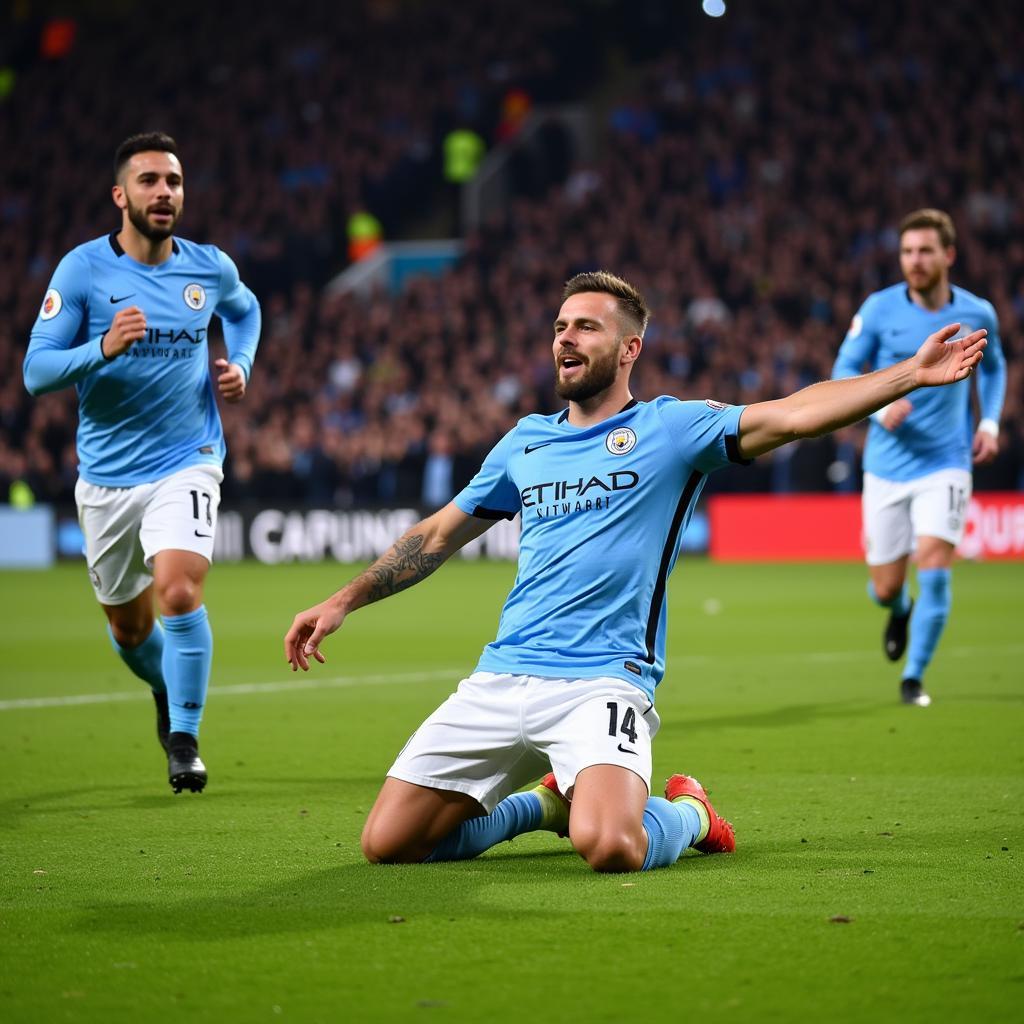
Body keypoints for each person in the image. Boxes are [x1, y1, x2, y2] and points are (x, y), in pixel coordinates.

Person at [284, 271, 985, 873]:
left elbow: (794, 416)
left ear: (629, 349)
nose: (565, 338)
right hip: (503, 675)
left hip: (601, 680)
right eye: (560, 325)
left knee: (611, 846)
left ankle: (687, 812)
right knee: (391, 844)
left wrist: (909, 376)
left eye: (586, 327)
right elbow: (436, 534)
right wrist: (346, 599)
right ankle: (543, 806)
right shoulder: (525, 442)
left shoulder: (672, 429)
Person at [23, 132, 261, 793]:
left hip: (188, 458)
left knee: (179, 590)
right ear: (120, 195)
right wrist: (101, 346)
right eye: (150, 180)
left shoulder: (207, 267)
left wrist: (238, 364)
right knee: (130, 630)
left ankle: (183, 740)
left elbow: (246, 310)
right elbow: (36, 370)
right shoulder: (82, 271)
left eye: (174, 181)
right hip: (105, 478)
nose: (164, 192)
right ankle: (165, 687)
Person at [832, 209, 1006, 707]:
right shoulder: (879, 309)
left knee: (934, 560)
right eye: (908, 251)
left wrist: (988, 422)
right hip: (886, 464)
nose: (915, 260)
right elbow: (844, 365)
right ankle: (899, 607)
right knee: (884, 587)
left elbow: (993, 368)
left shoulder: (978, 313)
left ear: (948, 255)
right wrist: (878, 407)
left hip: (946, 461)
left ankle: (913, 678)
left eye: (925, 251)